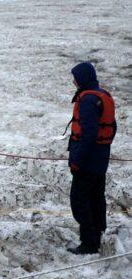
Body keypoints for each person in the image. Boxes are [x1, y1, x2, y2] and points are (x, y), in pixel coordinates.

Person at [67, 62, 116, 255]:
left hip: (87, 160)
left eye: (75, 77)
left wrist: (77, 160)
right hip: (100, 158)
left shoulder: (88, 100)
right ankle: (97, 234)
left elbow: (89, 133)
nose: (73, 81)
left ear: (82, 78)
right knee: (96, 197)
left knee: (79, 200)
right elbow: (112, 126)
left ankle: (88, 242)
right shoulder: (103, 96)